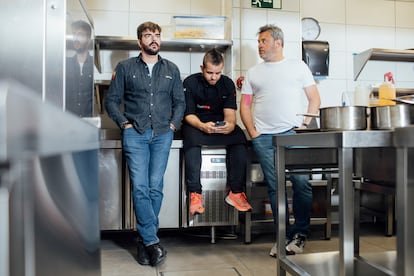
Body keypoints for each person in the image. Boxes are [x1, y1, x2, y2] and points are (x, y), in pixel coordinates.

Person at [104, 21, 185, 267]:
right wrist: (123, 123)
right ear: (139, 41)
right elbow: (111, 101)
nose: (153, 39)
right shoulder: (125, 67)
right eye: (148, 36)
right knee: (140, 188)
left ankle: (143, 241)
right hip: (135, 134)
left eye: (157, 35)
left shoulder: (171, 68)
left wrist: (173, 124)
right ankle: (151, 241)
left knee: (155, 188)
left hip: (162, 134)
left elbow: (180, 102)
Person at [240, 24, 321, 256]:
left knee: (301, 184)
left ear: (278, 42)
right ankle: (282, 235)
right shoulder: (254, 72)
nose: (260, 45)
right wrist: (253, 133)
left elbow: (314, 99)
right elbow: (244, 105)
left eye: (263, 41)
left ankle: (300, 234)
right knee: (275, 188)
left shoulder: (298, 66)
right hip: (265, 138)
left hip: (294, 134)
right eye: (258, 42)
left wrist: (303, 126)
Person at [182, 49, 252, 216]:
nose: (214, 77)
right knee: (191, 142)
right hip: (196, 123)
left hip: (218, 123)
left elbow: (230, 114)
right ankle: (195, 194)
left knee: (240, 140)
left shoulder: (227, 84)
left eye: (218, 73)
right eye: (209, 73)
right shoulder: (190, 83)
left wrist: (229, 125)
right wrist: (202, 126)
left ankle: (235, 192)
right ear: (202, 68)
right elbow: (188, 114)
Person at [66, 20, 94, 117]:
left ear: (89, 40)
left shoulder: (94, 65)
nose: (76, 38)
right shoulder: (65, 64)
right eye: (74, 34)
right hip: (68, 120)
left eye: (80, 35)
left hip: (88, 122)